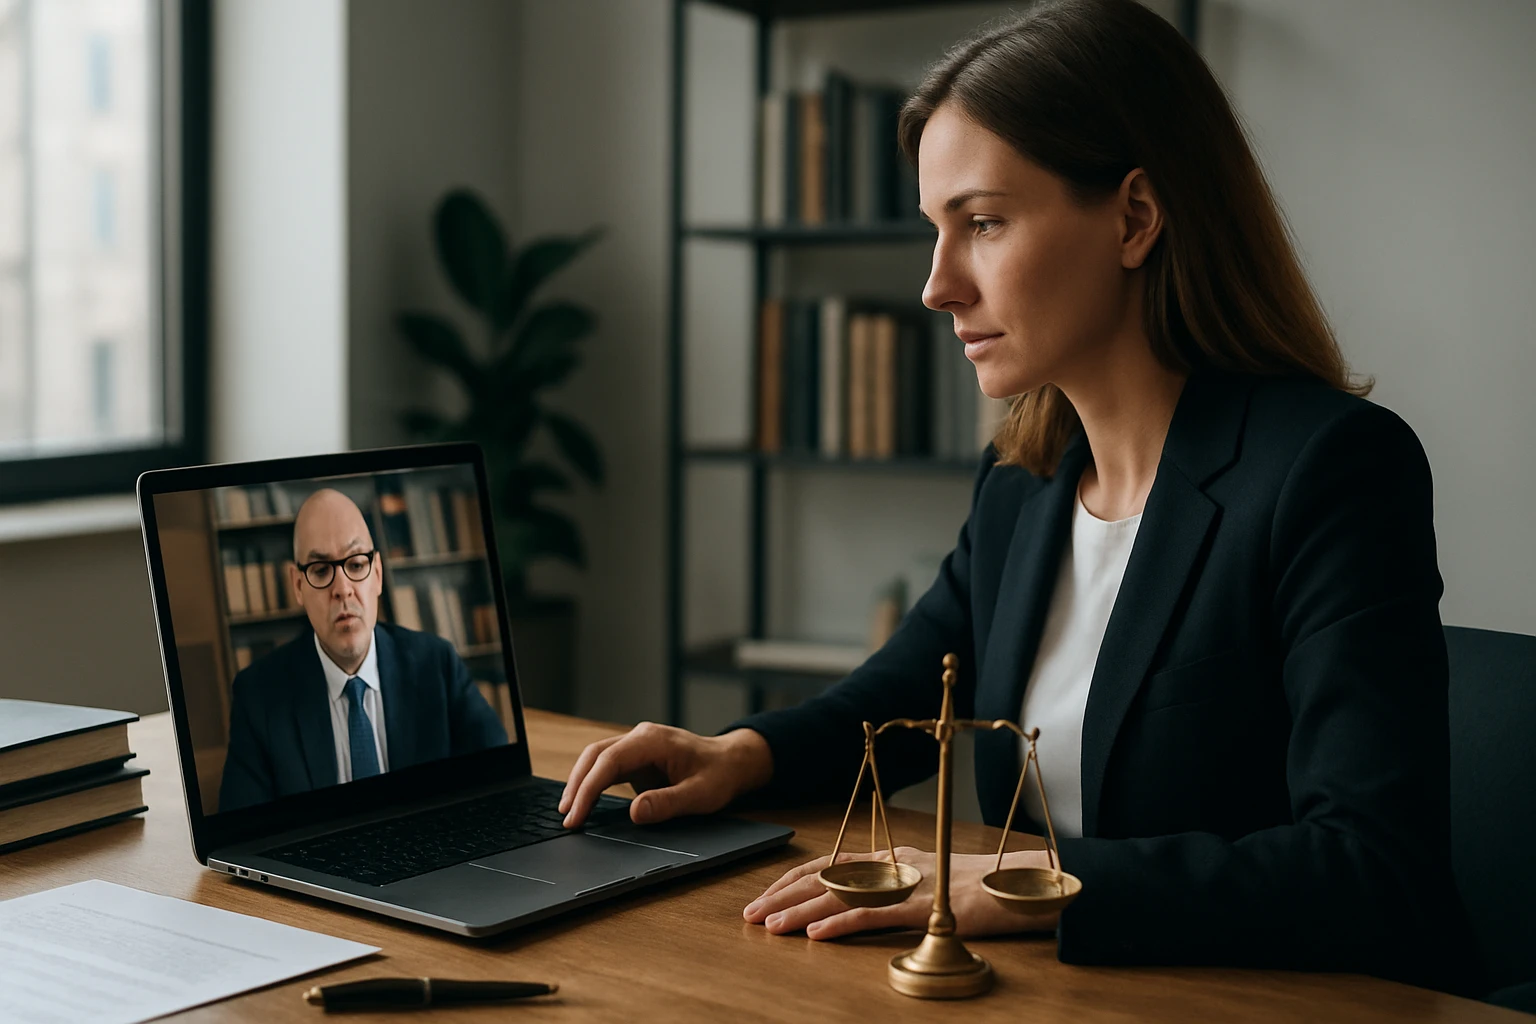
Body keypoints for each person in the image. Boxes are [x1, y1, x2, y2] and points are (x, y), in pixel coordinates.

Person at [557, 0, 1478, 994]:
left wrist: (1020, 884)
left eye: (983, 223)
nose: (937, 285)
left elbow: (1376, 869)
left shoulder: (1332, 469)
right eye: (935, 231)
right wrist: (736, 752)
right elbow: (901, 689)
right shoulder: (1020, 480)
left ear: (1135, 217)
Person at [218, 488, 506, 812]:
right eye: (321, 570)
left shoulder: (437, 664)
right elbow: (243, 832)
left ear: (378, 574)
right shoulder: (259, 696)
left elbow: (500, 781)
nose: (342, 589)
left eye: (356, 565)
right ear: (298, 586)